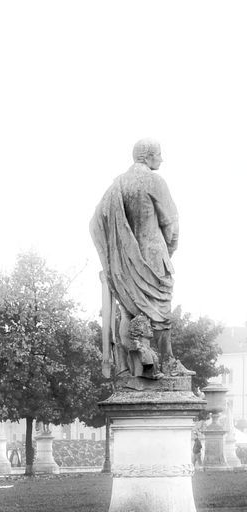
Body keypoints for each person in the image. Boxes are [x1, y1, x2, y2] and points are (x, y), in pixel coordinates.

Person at [90, 138, 181, 378]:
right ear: (148, 156)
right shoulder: (154, 181)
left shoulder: (117, 185)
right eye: (159, 154)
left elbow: (96, 222)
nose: (161, 159)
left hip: (125, 261)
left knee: (130, 311)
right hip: (153, 255)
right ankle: (167, 361)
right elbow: (171, 222)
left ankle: (135, 365)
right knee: (160, 308)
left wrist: (113, 257)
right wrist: (168, 250)